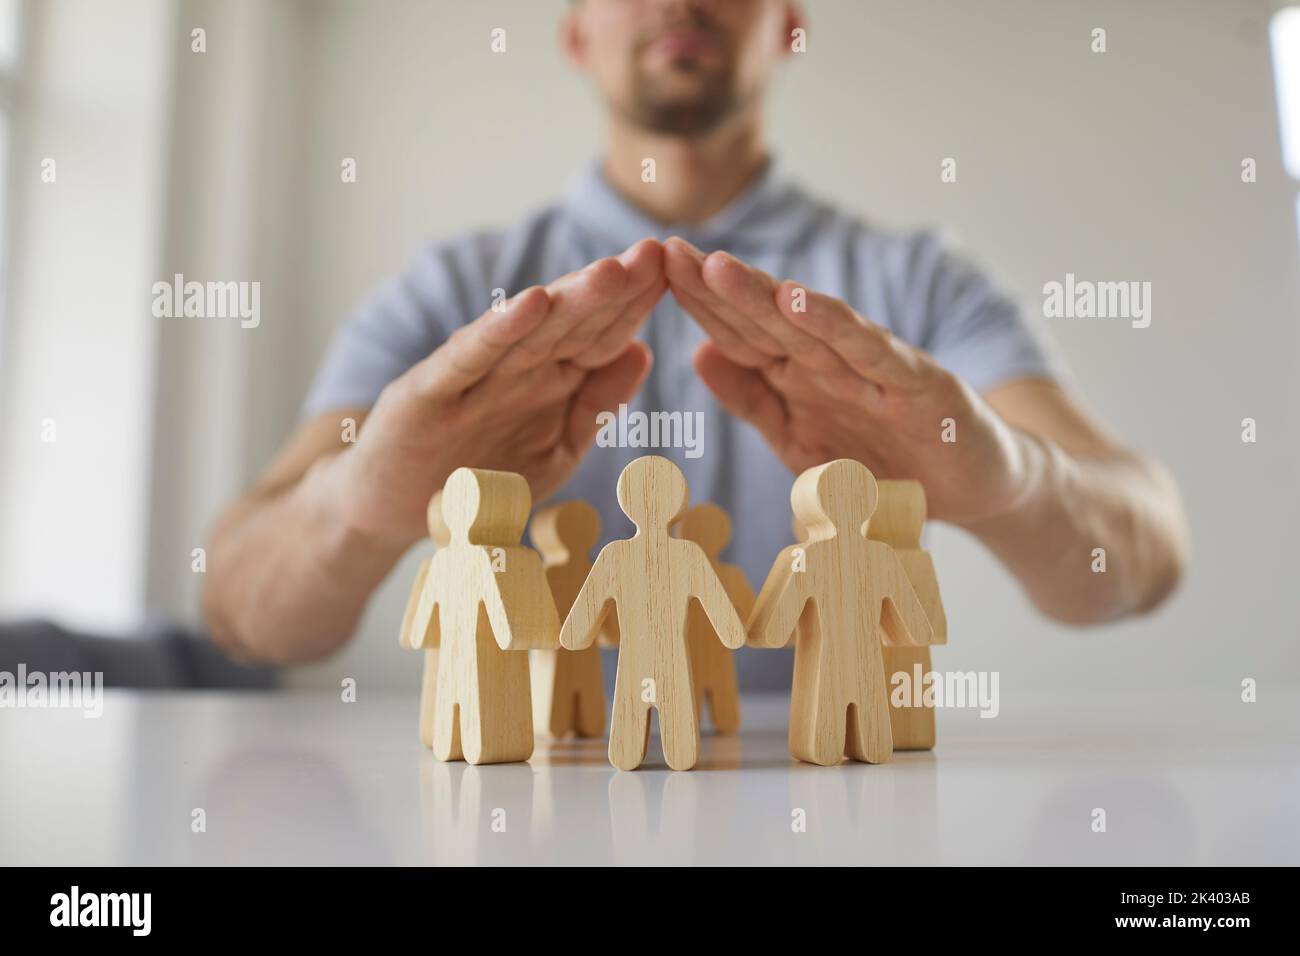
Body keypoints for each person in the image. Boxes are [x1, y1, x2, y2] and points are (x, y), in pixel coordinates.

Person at [202, 0, 1188, 689]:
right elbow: (238, 607)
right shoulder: (452, 295)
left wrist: (1012, 484)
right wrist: (358, 510)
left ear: (789, 23)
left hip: (833, 796)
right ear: (577, 34)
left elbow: (1145, 560)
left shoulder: (918, 282)